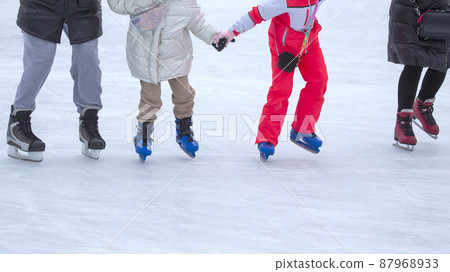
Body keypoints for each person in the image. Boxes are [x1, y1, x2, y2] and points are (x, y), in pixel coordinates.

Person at [214, 0, 328, 160]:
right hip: (284, 44)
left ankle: (303, 130)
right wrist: (230, 33)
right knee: (282, 88)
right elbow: (255, 15)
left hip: (309, 40)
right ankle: (266, 138)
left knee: (319, 80)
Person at [107, 0, 220, 161]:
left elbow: (199, 22)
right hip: (145, 56)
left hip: (175, 58)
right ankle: (144, 134)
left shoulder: (185, 3)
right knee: (150, 98)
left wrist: (215, 37)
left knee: (185, 95)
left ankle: (184, 131)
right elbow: (118, 5)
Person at [6, 0, 105, 162]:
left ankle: (89, 121)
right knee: (41, 59)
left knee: (88, 58)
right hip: (41, 5)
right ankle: (18, 122)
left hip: (84, 6)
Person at [388, 0, 449, 150]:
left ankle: (423, 105)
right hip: (409, 8)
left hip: (440, 7)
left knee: (443, 59)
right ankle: (403, 121)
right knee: (414, 62)